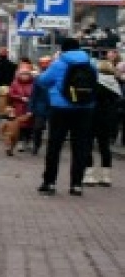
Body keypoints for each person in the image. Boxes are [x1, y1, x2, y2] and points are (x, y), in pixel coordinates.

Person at [34, 37, 97, 196]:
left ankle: (50, 182)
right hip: (84, 108)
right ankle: (76, 184)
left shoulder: (58, 63)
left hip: (60, 108)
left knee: (55, 146)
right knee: (80, 147)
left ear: (63, 49)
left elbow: (43, 81)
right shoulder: (91, 63)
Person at [83, 59, 121, 187]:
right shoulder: (115, 85)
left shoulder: (95, 83)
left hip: (92, 117)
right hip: (108, 120)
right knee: (104, 147)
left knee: (87, 145)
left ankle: (89, 175)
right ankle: (106, 176)